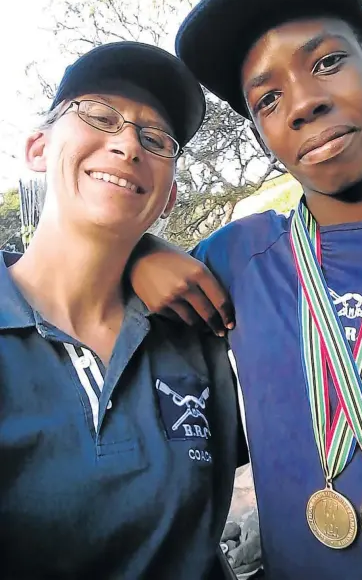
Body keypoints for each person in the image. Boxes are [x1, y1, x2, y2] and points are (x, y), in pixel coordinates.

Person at [129, 0, 362, 579]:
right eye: (268, 98)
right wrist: (136, 254)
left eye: (326, 62)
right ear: (261, 135)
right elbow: (70, 275)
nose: (302, 104)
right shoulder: (239, 256)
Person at [0, 41, 247, 579]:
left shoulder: (195, 328)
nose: (128, 144)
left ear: (170, 196)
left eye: (155, 138)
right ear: (38, 147)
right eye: (99, 115)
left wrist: (142, 251)